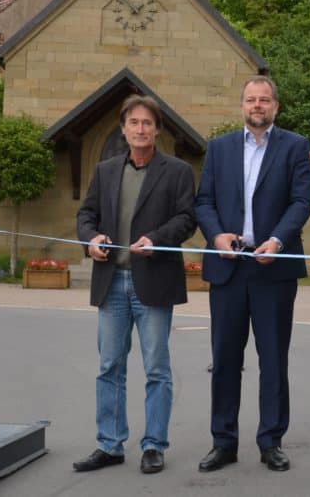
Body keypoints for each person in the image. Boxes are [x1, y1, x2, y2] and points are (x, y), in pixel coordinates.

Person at [194, 75, 310, 473]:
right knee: (225, 359)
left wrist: (278, 241)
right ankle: (223, 441)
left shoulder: (295, 147)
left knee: (273, 360)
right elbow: (204, 202)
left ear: (275, 107)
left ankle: (271, 441)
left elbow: (301, 202)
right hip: (228, 267)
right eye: (250, 100)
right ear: (242, 105)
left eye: (264, 100)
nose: (257, 106)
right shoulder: (219, 148)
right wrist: (215, 236)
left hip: (272, 269)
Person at [74, 95, 197, 475]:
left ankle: (154, 445)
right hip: (111, 282)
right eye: (134, 123)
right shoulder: (106, 169)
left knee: (157, 367)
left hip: (154, 281)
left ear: (157, 129)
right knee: (110, 366)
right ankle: (109, 444)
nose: (141, 129)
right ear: (123, 128)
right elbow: (86, 215)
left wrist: (157, 238)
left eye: (148, 123)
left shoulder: (176, 171)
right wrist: (90, 239)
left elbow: (187, 219)